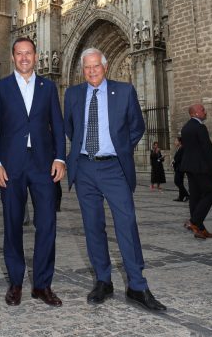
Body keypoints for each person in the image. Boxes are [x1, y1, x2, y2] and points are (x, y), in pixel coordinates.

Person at [64, 48, 166, 312]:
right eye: (87, 67)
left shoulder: (124, 91)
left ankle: (137, 284)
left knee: (126, 223)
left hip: (114, 169)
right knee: (92, 226)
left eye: (96, 66)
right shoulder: (73, 94)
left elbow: (137, 126)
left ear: (105, 67)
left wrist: (121, 148)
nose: (91, 71)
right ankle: (103, 280)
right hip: (85, 168)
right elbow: (70, 127)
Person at [0, 36, 66, 307]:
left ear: (36, 56)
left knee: (47, 225)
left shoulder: (48, 87)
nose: (24, 58)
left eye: (29, 53)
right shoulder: (0, 87)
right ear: (12, 57)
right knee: (12, 225)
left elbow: (57, 124)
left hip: (43, 166)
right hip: (11, 166)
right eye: (19, 53)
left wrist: (60, 158)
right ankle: (16, 283)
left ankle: (42, 285)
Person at [180, 104, 212, 239]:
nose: (205, 112)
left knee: (195, 197)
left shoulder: (186, 127)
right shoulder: (200, 127)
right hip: (201, 167)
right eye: (202, 110)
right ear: (194, 113)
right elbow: (207, 149)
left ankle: (199, 229)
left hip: (189, 167)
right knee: (211, 193)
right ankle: (194, 222)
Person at [172, 137, 189, 202]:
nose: (175, 142)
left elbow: (179, 158)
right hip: (178, 167)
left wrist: (174, 161)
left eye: (176, 141)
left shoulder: (182, 148)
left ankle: (187, 195)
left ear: (180, 142)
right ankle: (181, 197)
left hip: (180, 168)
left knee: (177, 181)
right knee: (180, 182)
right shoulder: (179, 148)